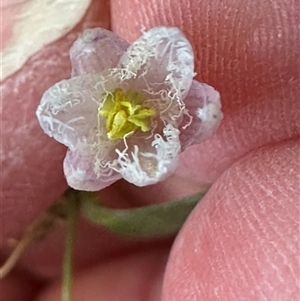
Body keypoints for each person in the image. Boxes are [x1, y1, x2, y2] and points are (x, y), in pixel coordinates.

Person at [1, 0, 299, 300]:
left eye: (124, 114)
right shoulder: (84, 151)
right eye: (122, 117)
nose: (124, 116)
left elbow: (201, 109)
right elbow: (79, 167)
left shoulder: (184, 101)